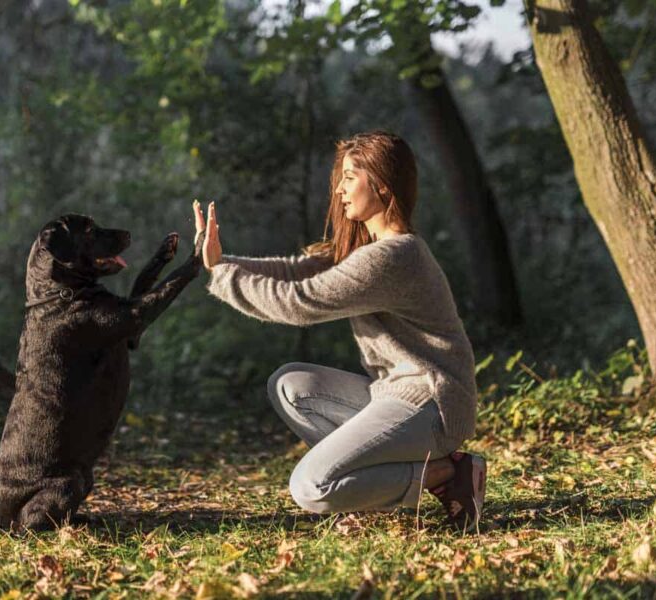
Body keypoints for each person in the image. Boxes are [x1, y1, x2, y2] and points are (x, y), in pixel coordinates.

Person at [191, 131, 486, 530]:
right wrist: (222, 262)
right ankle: (378, 482)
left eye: (350, 177)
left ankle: (445, 476)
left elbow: (298, 301)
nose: (340, 191)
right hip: (396, 395)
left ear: (381, 183)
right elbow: (297, 270)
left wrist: (223, 274)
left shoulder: (394, 257)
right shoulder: (373, 250)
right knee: (291, 385)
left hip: (433, 404)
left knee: (312, 486)